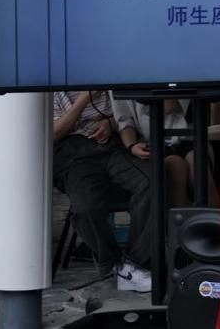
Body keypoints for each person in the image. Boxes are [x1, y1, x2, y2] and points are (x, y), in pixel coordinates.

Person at [52, 90, 154, 292]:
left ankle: (136, 263)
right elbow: (53, 133)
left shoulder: (104, 79)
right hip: (71, 152)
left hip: (111, 145)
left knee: (152, 182)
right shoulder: (52, 87)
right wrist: (84, 99)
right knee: (86, 208)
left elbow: (124, 114)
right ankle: (117, 264)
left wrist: (109, 123)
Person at [111, 96, 194, 207]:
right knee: (176, 165)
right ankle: (183, 214)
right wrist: (132, 145)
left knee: (196, 164)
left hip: (183, 136)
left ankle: (213, 215)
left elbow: (170, 108)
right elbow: (124, 120)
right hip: (147, 142)